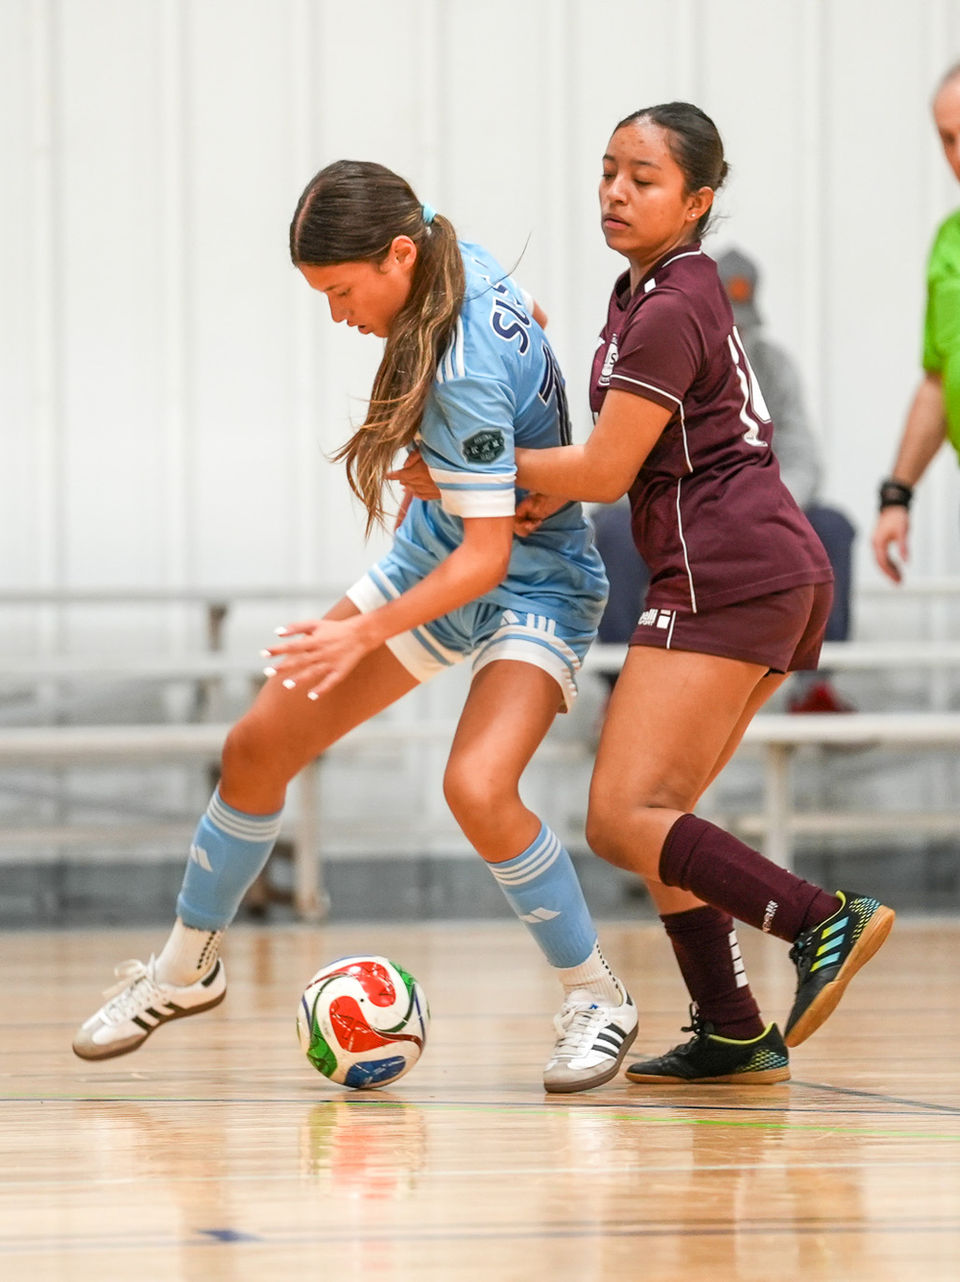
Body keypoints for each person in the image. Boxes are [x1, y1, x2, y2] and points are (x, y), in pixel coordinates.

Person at [72, 159, 638, 1094]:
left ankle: (597, 996)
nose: (337, 315)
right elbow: (534, 318)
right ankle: (185, 969)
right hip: (433, 557)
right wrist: (480, 471)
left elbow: (486, 560)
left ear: (398, 256)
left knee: (477, 787)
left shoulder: (460, 365)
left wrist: (361, 632)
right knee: (256, 747)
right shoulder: (455, 249)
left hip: (533, 584)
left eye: (340, 291)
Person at [512, 102, 895, 1084]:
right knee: (662, 812)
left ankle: (819, 919)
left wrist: (480, 473)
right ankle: (730, 1024)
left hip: (726, 568)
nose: (615, 191)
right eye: (608, 170)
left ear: (698, 201)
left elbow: (605, 469)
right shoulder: (650, 289)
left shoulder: (671, 304)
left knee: (619, 817)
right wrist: (545, 483)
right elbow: (623, 460)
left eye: (643, 178)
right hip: (758, 567)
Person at [715, 248, 856, 714]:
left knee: (831, 527)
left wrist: (765, 508)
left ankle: (813, 688)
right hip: (680, 511)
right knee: (615, 533)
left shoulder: (774, 366)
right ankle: (619, 692)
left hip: (760, 506)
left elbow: (801, 453)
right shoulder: (659, 359)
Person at [873, 62, 960, 584]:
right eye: (948, 139)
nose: (958, 154)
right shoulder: (949, 242)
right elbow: (940, 381)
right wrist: (897, 495)